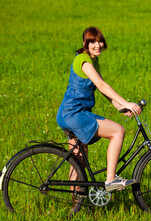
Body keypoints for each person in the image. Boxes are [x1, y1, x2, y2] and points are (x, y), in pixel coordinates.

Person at [56, 26, 142, 192]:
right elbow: (102, 85)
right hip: (75, 114)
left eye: (100, 41)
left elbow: (105, 93)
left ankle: (77, 206)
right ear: (85, 44)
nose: (98, 45)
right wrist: (126, 102)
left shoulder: (93, 62)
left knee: (78, 164)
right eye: (92, 42)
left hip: (69, 114)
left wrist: (121, 107)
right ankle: (111, 180)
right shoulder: (83, 60)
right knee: (118, 131)